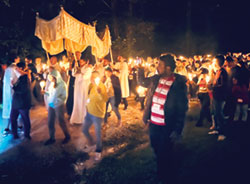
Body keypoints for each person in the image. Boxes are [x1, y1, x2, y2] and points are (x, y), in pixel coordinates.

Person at [138, 54, 188, 183]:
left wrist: (177, 129)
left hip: (167, 125)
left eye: (160, 65)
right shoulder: (155, 79)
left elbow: (182, 109)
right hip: (154, 123)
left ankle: (165, 176)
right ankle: (163, 172)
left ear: (168, 68)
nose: (157, 67)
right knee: (156, 147)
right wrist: (140, 68)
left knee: (164, 152)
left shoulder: (178, 85)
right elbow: (142, 82)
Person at [82, 71, 108, 161]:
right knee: (84, 129)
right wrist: (86, 104)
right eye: (91, 77)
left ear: (98, 78)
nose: (92, 79)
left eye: (94, 77)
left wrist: (100, 92)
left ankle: (98, 150)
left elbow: (105, 99)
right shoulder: (90, 86)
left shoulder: (101, 86)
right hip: (89, 112)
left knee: (98, 133)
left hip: (98, 114)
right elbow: (89, 97)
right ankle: (92, 144)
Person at [43, 70, 71, 145]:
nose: (51, 79)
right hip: (51, 105)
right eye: (50, 77)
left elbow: (64, 96)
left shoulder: (62, 85)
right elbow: (50, 93)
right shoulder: (51, 84)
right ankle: (52, 138)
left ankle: (67, 136)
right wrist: (45, 92)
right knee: (50, 121)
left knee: (61, 121)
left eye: (52, 77)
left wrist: (56, 101)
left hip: (59, 105)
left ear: (56, 77)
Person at [209, 55, 228, 141]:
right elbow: (216, 82)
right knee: (215, 113)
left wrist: (213, 87)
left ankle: (222, 133)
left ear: (219, 62)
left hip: (220, 96)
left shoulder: (223, 72)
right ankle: (216, 129)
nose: (214, 63)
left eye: (215, 61)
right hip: (215, 95)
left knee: (219, 114)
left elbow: (223, 85)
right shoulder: (218, 71)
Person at [10, 62, 32, 139]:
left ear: (21, 69)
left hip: (23, 103)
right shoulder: (20, 77)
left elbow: (22, 90)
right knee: (13, 118)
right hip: (16, 102)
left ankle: (27, 134)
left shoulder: (25, 77)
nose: (16, 70)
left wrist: (13, 86)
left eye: (17, 68)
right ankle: (15, 134)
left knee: (25, 119)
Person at [70, 59, 92, 125]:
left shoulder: (88, 69)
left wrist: (80, 73)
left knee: (83, 101)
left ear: (85, 61)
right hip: (78, 87)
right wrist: (75, 68)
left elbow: (85, 77)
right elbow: (73, 74)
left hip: (84, 87)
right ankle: (77, 118)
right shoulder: (78, 67)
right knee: (77, 101)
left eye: (82, 61)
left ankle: (84, 118)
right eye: (80, 61)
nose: (80, 63)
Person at [2, 55, 20, 133]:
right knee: (15, 107)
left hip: (7, 91)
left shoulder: (7, 69)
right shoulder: (15, 68)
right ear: (15, 59)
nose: (19, 59)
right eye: (18, 58)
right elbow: (18, 80)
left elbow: (4, 81)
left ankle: (7, 127)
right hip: (14, 91)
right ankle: (19, 125)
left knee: (9, 106)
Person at [66, 51, 81, 118]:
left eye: (79, 55)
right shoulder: (72, 63)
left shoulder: (81, 63)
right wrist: (70, 69)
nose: (77, 56)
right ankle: (70, 112)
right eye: (76, 55)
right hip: (72, 81)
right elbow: (69, 73)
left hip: (79, 82)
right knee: (71, 96)